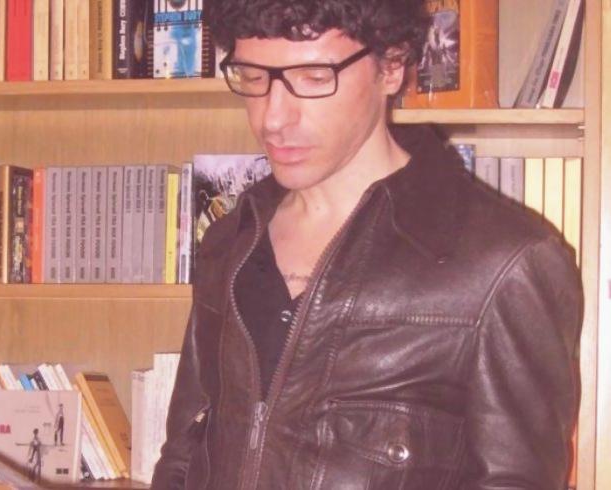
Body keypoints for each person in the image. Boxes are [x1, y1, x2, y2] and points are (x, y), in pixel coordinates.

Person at [152, 1, 583, 488]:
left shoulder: (505, 264)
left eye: (314, 77)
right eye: (253, 76)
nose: (273, 117)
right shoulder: (229, 241)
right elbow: (184, 454)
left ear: (391, 66)